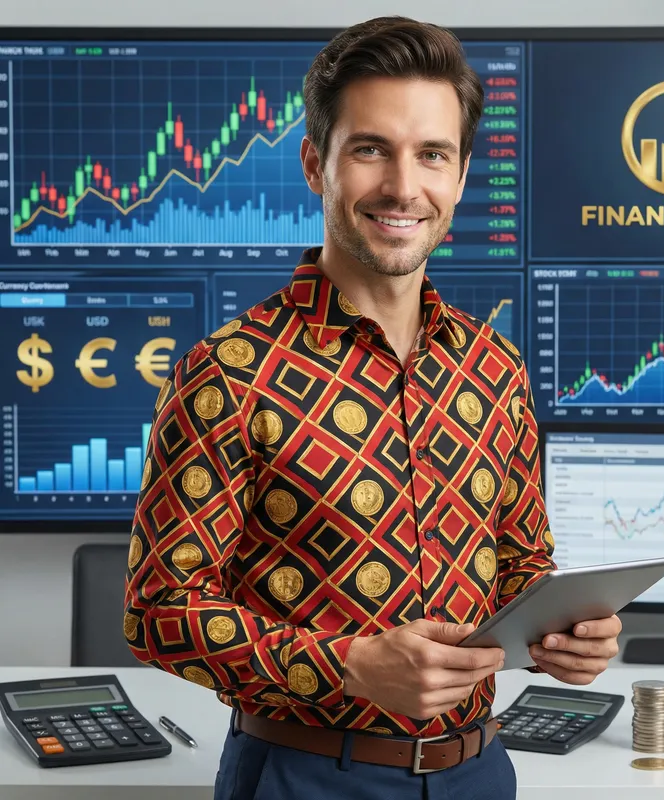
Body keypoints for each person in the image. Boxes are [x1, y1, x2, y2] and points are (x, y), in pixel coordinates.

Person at [123, 15, 622, 800]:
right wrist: (348, 666)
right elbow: (159, 609)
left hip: (480, 774)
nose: (402, 186)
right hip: (303, 775)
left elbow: (521, 564)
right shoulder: (225, 373)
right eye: (370, 149)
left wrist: (566, 634)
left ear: (459, 177)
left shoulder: (495, 370)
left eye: (431, 154)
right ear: (316, 164)